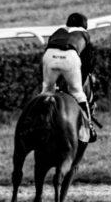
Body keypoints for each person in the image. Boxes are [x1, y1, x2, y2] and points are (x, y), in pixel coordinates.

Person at [42, 12, 97, 142]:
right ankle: (89, 128)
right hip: (70, 56)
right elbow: (88, 67)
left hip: (49, 56)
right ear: (84, 26)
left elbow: (50, 55)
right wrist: (75, 86)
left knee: (46, 93)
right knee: (78, 94)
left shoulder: (58, 31)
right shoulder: (84, 34)